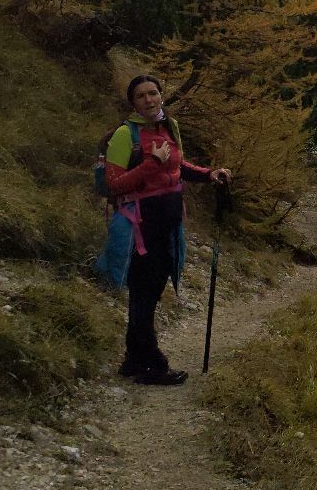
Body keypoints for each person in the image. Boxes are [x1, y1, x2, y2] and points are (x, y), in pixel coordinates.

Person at [99, 75, 231, 386]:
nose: (149, 99)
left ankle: (134, 359)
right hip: (140, 227)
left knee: (147, 292)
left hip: (167, 223)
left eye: (153, 93)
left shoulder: (169, 127)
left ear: (161, 95)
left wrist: (209, 174)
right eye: (141, 95)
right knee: (145, 293)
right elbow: (113, 185)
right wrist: (150, 164)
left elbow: (177, 167)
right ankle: (153, 365)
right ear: (133, 102)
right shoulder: (124, 135)